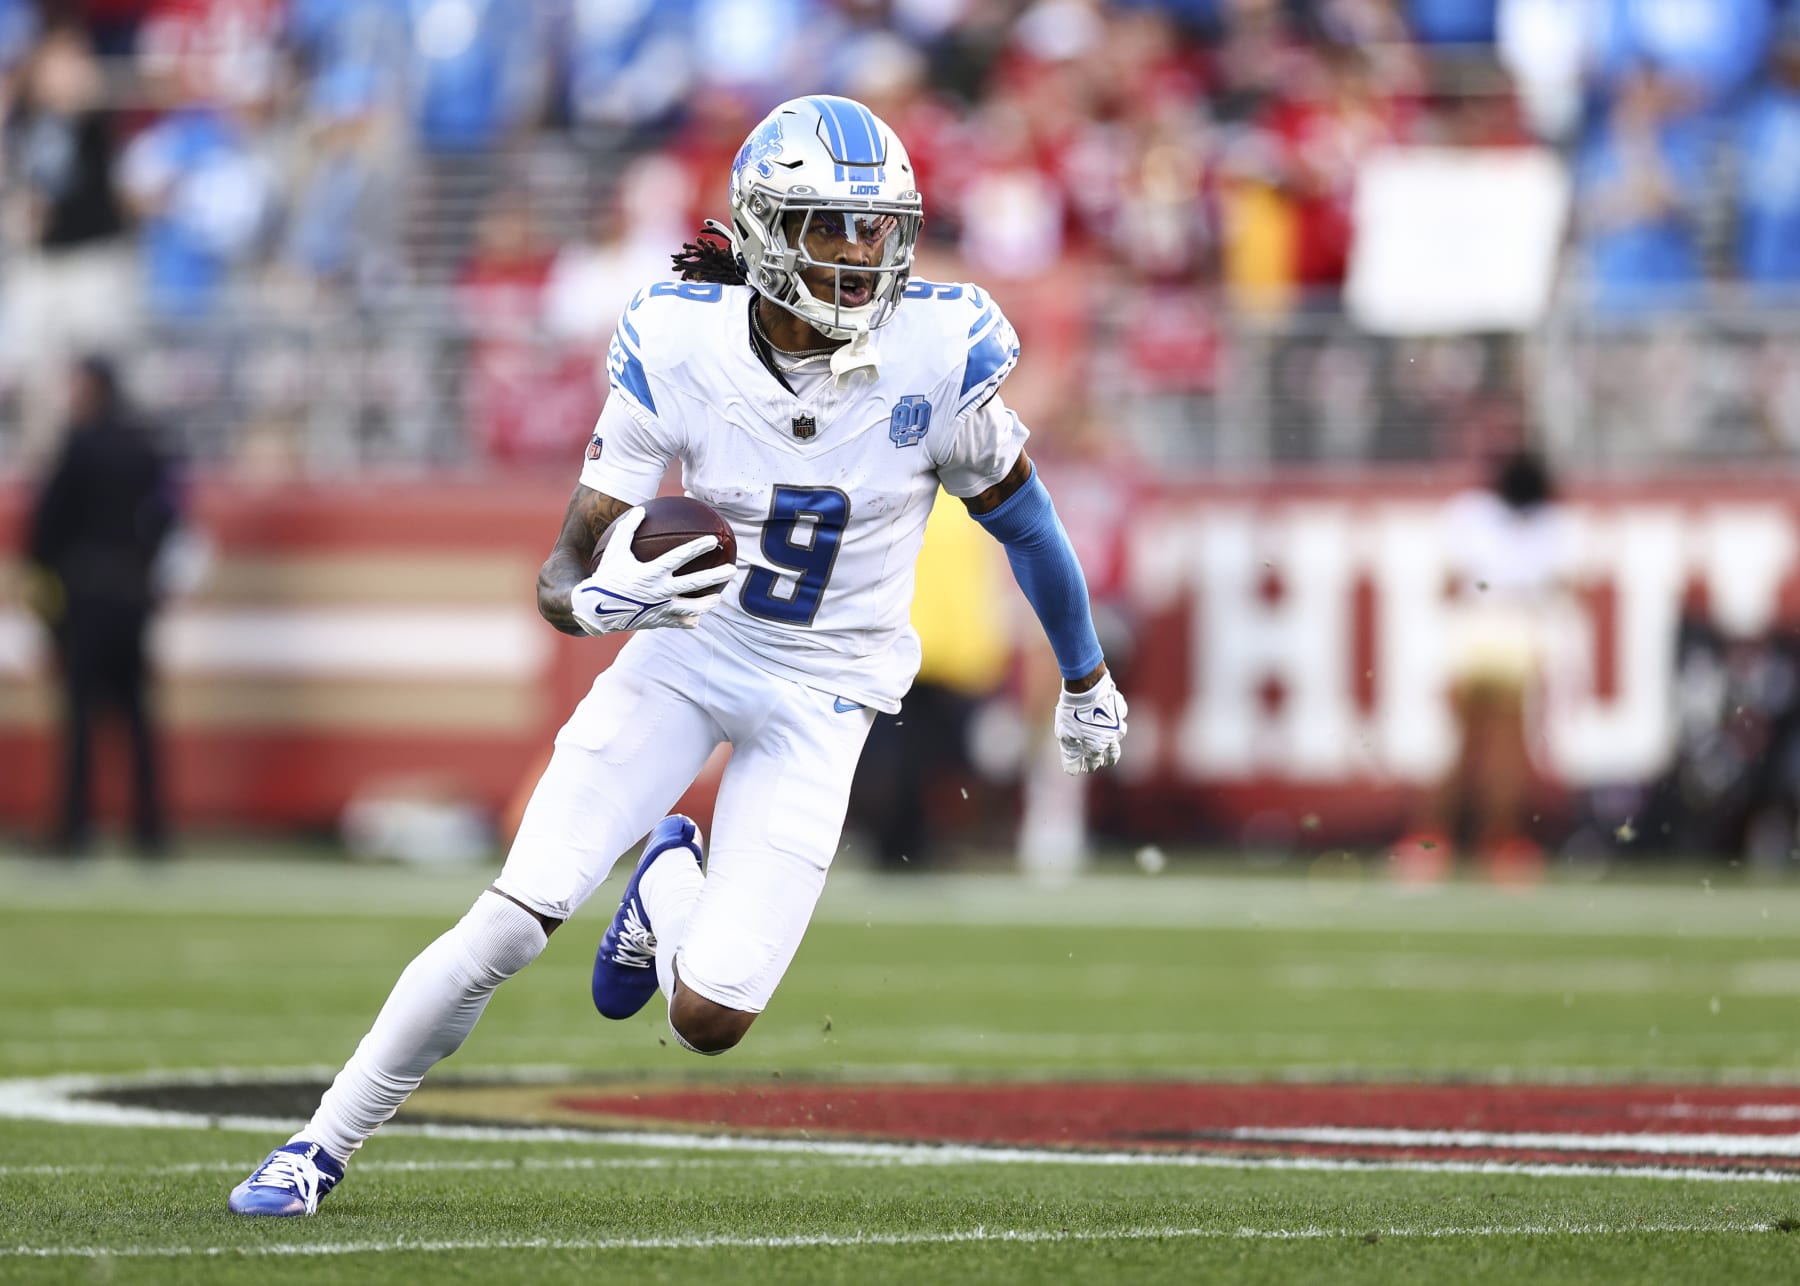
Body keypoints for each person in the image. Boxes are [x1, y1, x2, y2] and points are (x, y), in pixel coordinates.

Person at [228, 94, 1129, 1217]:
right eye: (828, 227)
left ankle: (665, 873)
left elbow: (1028, 522)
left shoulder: (938, 351)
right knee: (511, 919)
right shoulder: (679, 337)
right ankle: (317, 1144)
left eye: (876, 228)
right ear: (760, 228)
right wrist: (598, 598)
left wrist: (1087, 676)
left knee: (710, 1017)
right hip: (690, 654)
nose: (860, 256)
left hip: (827, 693)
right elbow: (561, 573)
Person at [24, 356, 180, 855]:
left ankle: (75, 830)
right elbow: (170, 516)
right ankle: (149, 831)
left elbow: (47, 526)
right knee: (136, 717)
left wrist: (49, 582)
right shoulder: (145, 445)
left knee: (80, 716)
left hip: (87, 595)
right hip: (133, 595)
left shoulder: (80, 444)